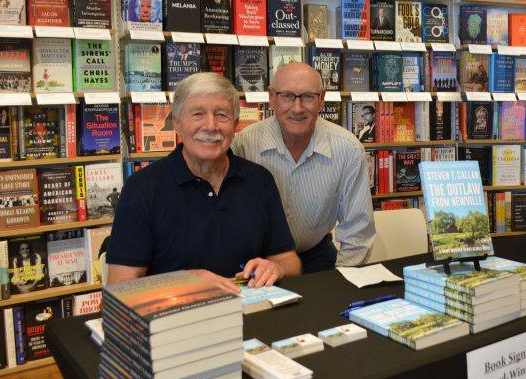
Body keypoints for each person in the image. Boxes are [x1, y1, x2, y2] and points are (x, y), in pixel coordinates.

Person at [106, 72, 301, 289]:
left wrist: (276, 268)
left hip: (251, 312)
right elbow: (118, 289)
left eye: (222, 115)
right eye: (197, 114)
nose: (211, 126)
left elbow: (289, 261)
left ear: (236, 125)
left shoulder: (260, 180)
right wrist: (184, 283)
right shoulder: (141, 189)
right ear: (177, 124)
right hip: (176, 317)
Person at [233, 62, 375, 273]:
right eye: (287, 96)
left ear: (321, 99)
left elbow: (358, 231)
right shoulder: (244, 144)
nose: (297, 108)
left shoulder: (347, 148)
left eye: (308, 96)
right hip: (258, 261)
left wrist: (341, 283)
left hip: (317, 255)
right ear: (272, 97)